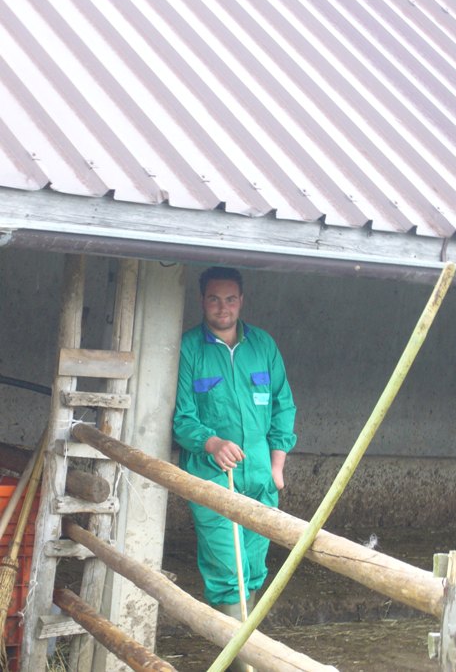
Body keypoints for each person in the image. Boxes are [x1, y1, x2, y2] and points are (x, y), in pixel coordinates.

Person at [173, 266, 296, 668]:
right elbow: (182, 418)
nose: (222, 307)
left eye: (229, 299)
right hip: (212, 477)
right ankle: (244, 665)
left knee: (254, 569)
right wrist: (211, 443)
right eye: (214, 299)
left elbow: (283, 406)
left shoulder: (263, 345)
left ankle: (242, 655)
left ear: (241, 301)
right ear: (202, 301)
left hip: (260, 476)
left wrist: (277, 466)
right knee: (228, 570)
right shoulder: (189, 348)